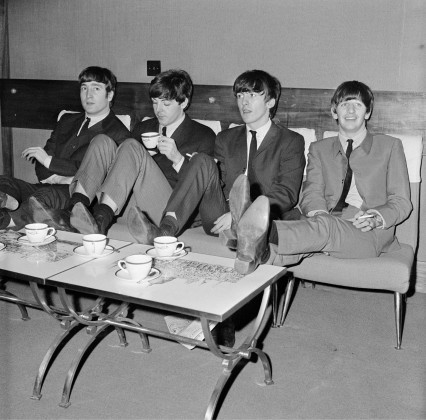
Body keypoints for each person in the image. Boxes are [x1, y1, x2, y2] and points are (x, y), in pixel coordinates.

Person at [231, 80, 412, 275]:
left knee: (322, 228)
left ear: (367, 112)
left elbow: (401, 202)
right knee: (317, 229)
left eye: (357, 105)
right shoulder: (319, 149)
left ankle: (258, 230)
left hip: (368, 232)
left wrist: (375, 218)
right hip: (324, 223)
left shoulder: (389, 146)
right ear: (335, 112)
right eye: (344, 105)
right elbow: (311, 194)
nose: (350, 111)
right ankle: (256, 254)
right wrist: (319, 214)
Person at [128, 69, 305, 248]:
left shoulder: (290, 141)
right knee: (202, 160)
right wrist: (199, 168)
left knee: (203, 163)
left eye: (252, 95)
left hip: (262, 218)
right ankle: (165, 231)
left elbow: (287, 194)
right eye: (240, 96)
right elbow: (217, 184)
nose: (244, 102)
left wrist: (241, 214)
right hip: (220, 216)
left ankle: (244, 234)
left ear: (271, 102)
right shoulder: (225, 138)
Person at [49, 69, 216, 235]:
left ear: (184, 102)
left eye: (166, 104)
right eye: (155, 102)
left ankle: (100, 220)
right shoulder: (144, 127)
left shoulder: (203, 135)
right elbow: (119, 168)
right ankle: (75, 211)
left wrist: (177, 159)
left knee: (131, 146)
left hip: (168, 208)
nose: (159, 110)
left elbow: (203, 185)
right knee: (102, 141)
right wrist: (137, 160)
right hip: (130, 204)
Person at [3, 66, 131, 231]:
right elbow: (41, 164)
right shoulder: (67, 120)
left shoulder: (118, 133)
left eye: (96, 88)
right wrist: (58, 175)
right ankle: (7, 206)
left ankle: (8, 220)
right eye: (84, 88)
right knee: (5, 181)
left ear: (110, 94)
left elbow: (100, 174)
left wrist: (52, 164)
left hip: (78, 195)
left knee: (41, 198)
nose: (88, 95)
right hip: (49, 183)